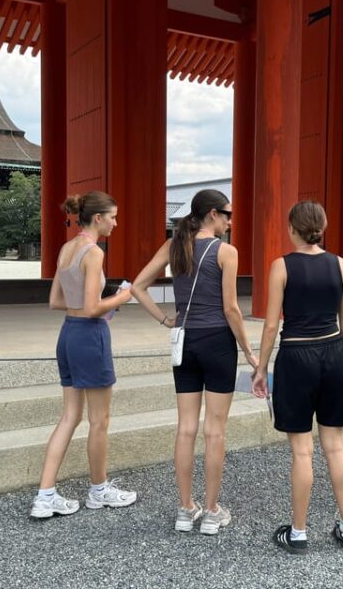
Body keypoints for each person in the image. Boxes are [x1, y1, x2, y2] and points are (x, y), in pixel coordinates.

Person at [131, 189, 258, 535]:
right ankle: (212, 512)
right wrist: (249, 351)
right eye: (228, 214)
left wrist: (165, 319)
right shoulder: (226, 251)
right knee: (214, 430)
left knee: (186, 427)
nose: (230, 221)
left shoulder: (174, 246)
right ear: (213, 214)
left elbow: (138, 286)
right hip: (217, 341)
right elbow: (231, 309)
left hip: (183, 340)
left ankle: (186, 509)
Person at [252, 200, 343, 555]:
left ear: (291, 229)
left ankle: (298, 533)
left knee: (302, 451)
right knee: (336, 447)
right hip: (333, 352)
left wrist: (261, 368)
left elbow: (271, 325)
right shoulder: (341, 265)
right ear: (322, 228)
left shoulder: (281, 266)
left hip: (296, 355)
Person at [30, 191, 137, 518]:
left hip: (67, 334)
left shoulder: (66, 249)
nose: (115, 223)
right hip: (90, 337)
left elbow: (55, 301)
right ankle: (99, 490)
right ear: (98, 218)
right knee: (99, 420)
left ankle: (45, 495)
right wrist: (122, 297)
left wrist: (97, 305)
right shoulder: (94, 252)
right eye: (113, 217)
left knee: (69, 417)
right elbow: (92, 308)